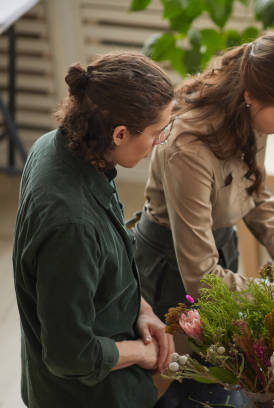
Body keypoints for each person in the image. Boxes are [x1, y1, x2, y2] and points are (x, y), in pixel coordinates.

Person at [134, 30, 274, 330]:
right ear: (250, 97)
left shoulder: (252, 116)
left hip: (220, 246)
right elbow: (201, 279)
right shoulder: (188, 150)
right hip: (171, 265)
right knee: (189, 369)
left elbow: (255, 195)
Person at [12, 52, 176, 407]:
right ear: (119, 134)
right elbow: (69, 355)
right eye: (157, 132)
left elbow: (103, 269)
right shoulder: (73, 227)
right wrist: (141, 353)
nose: (159, 143)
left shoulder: (58, 147)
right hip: (86, 396)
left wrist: (142, 310)